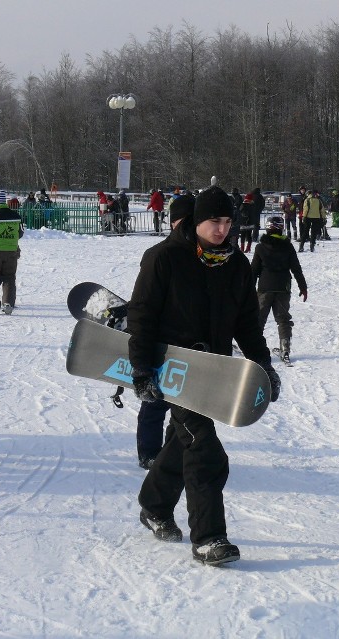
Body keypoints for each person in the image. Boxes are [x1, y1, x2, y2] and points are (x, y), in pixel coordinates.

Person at [127, 185, 280, 565]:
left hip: (213, 371)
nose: (222, 230)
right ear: (196, 220)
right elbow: (142, 316)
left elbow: (247, 325)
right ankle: (209, 538)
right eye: (214, 221)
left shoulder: (236, 264)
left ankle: (154, 506)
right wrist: (141, 369)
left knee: (183, 443)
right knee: (205, 449)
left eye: (228, 222)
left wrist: (264, 366)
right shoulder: (165, 258)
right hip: (174, 367)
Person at [134, 194, 195, 470]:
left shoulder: (204, 254)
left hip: (191, 344)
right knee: (155, 404)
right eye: (183, 221)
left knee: (189, 406)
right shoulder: (158, 254)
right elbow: (145, 304)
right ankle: (148, 453)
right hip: (162, 342)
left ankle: (179, 451)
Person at [251, 216, 308, 364]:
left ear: (268, 228)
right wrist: (303, 286)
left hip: (265, 288)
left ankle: (255, 349)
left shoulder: (260, 247)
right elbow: (296, 269)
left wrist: (248, 288)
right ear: (281, 228)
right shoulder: (288, 247)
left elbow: (254, 270)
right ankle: (285, 348)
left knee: (259, 319)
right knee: (283, 319)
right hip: (283, 288)